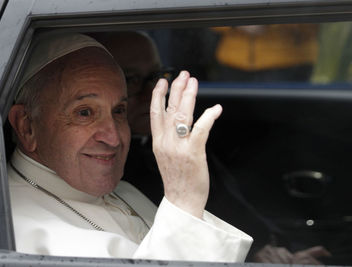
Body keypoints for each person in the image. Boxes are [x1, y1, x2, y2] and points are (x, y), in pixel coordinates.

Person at [7, 31, 252, 261]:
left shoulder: (123, 191)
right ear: (27, 126)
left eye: (119, 110)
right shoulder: (20, 232)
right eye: (84, 113)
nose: (114, 138)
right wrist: (183, 200)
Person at [98, 30, 331, 264]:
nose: (153, 93)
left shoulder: (171, 141)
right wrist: (258, 253)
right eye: (131, 79)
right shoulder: (104, 168)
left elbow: (228, 201)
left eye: (157, 77)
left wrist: (270, 246)